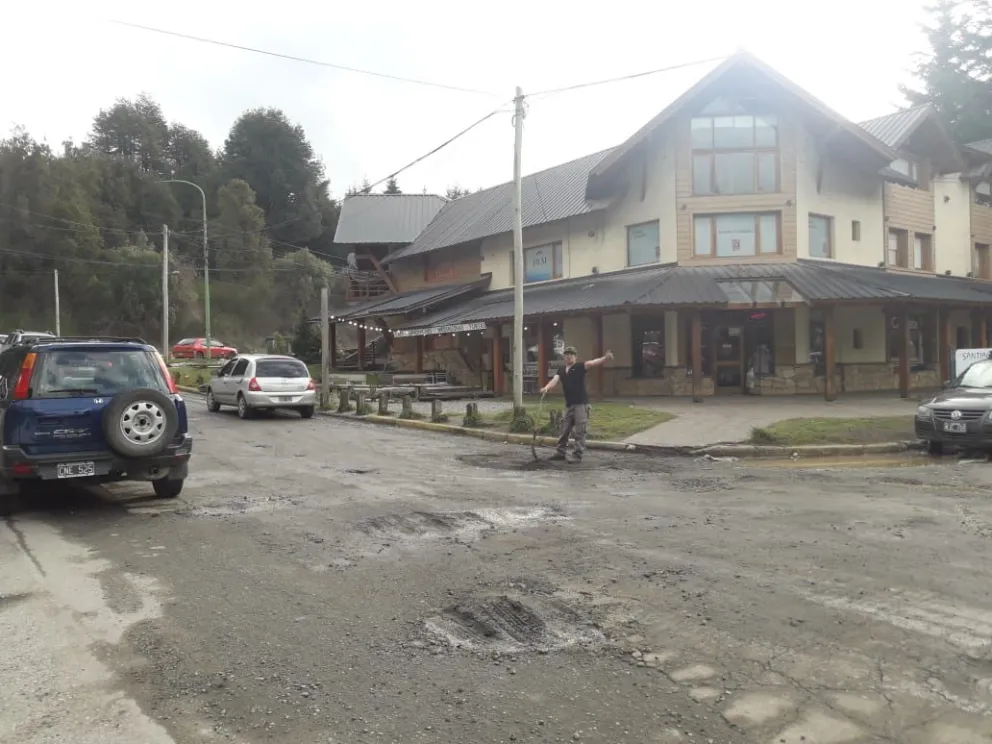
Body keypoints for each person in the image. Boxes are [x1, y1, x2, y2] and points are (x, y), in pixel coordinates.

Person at [539, 345, 614, 463]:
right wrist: (546, 388)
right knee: (564, 430)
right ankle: (560, 452)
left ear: (575, 357)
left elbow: (593, 363)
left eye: (571, 354)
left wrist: (605, 358)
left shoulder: (579, 367)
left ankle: (577, 455)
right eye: (567, 354)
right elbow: (555, 380)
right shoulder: (561, 370)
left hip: (581, 404)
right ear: (564, 356)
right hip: (569, 405)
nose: (569, 356)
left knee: (580, 431)